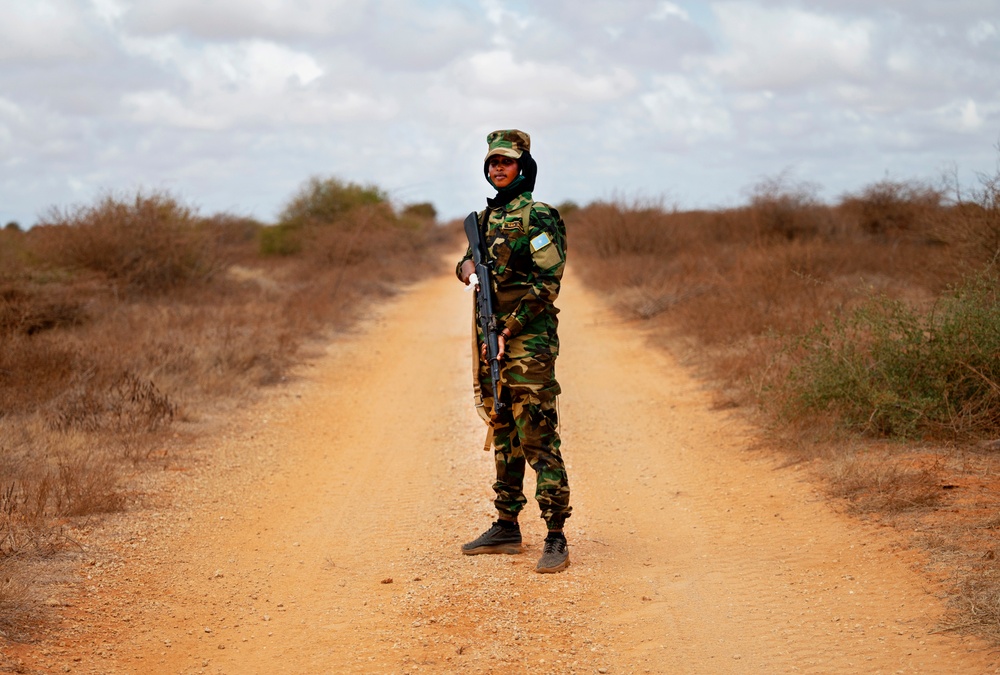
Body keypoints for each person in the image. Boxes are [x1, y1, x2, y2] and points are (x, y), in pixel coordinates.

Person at [456, 129, 572, 574]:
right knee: (503, 427)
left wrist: (510, 327)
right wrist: (469, 271)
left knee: (538, 435)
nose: (496, 169)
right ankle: (507, 525)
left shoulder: (539, 217)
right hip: (493, 342)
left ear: (523, 166)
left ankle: (556, 535)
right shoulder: (485, 220)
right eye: (491, 163)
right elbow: (464, 261)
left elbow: (548, 283)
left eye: (504, 162)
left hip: (529, 343)